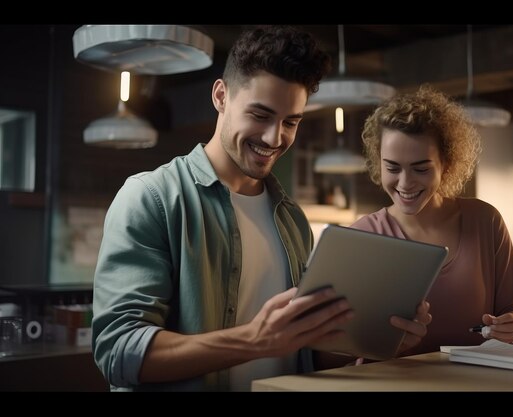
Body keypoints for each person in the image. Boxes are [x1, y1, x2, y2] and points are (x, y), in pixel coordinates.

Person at [92, 25, 431, 392]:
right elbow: (119, 352)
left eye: (291, 122)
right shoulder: (151, 198)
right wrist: (253, 340)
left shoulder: (291, 218)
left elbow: (298, 354)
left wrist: (376, 339)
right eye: (260, 115)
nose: (275, 137)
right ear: (221, 96)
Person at [351, 85, 513, 355]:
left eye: (421, 169)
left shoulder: (485, 222)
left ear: (446, 164)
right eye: (392, 167)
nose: (405, 183)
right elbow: (340, 346)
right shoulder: (362, 236)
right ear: (379, 163)